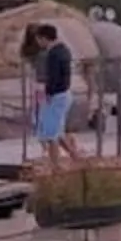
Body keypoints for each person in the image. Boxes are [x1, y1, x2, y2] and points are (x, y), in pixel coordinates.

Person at [24, 21, 79, 169]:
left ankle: (56, 165)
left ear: (44, 38)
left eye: (39, 39)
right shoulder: (64, 50)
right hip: (62, 93)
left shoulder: (53, 54)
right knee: (56, 131)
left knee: (50, 134)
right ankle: (74, 155)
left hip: (56, 95)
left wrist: (48, 93)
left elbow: (54, 77)